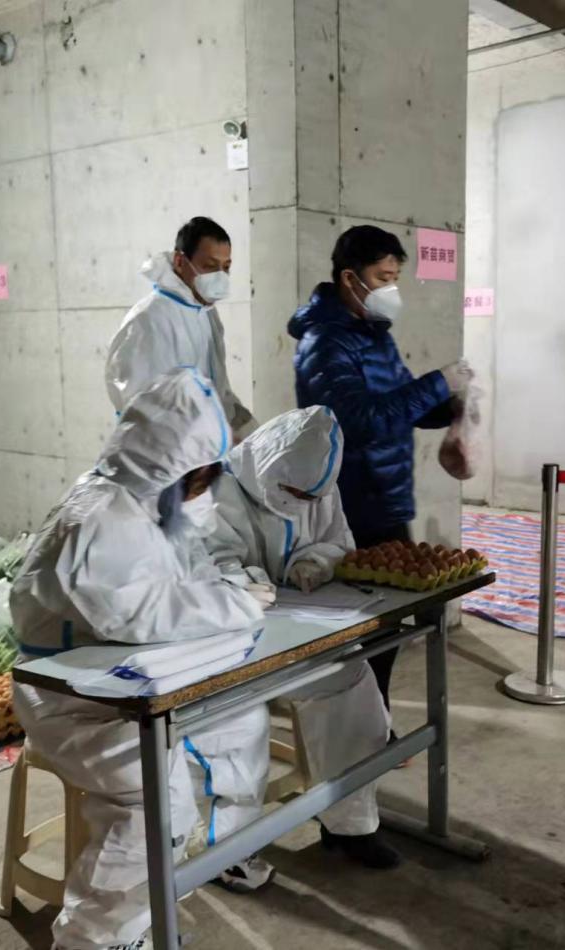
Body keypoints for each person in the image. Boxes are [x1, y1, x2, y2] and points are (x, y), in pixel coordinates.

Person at [10, 369, 278, 950]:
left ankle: (222, 851)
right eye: (199, 480)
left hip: (135, 678)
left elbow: (185, 572)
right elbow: (134, 612)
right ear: (170, 466)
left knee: (243, 720)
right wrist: (231, 604)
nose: (203, 493)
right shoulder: (97, 516)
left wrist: (228, 586)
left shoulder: (144, 502)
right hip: (72, 696)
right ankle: (97, 939)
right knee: (157, 799)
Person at [289, 224, 472, 721]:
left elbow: (401, 406)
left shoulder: (374, 337)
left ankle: (377, 722)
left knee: (388, 628)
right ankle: (364, 728)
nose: (391, 289)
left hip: (386, 496)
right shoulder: (325, 344)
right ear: (350, 278)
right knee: (364, 631)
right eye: (381, 278)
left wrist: (451, 406)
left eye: (395, 278)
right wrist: (437, 383)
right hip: (351, 503)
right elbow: (359, 421)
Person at [204, 405, 400, 869]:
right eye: (293, 493)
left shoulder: (319, 488)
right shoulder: (218, 491)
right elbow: (206, 566)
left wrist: (317, 561)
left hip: (303, 634)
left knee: (354, 686)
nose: (301, 503)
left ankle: (350, 824)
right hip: (233, 646)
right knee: (236, 729)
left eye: (311, 496)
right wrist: (248, 584)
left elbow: (340, 541)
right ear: (269, 468)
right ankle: (227, 852)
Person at [106, 216, 256, 439]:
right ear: (179, 261)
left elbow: (218, 389)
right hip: (175, 456)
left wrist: (245, 428)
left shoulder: (207, 313)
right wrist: (205, 446)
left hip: (211, 449)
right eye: (210, 266)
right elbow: (142, 414)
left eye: (226, 267)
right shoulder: (147, 321)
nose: (220, 277)